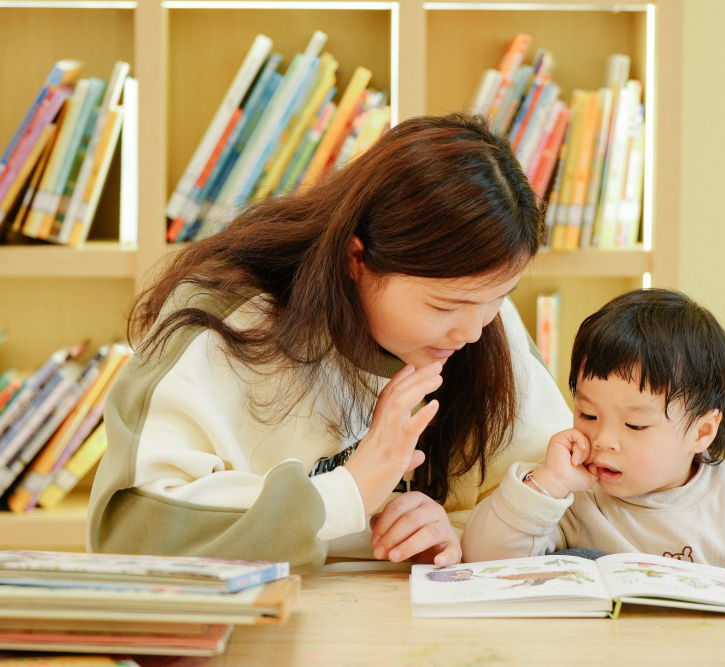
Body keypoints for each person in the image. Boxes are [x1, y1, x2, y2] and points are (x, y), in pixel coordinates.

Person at [87, 114, 571, 572]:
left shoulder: (485, 319)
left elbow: (563, 504)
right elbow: (130, 533)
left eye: (498, 298)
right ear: (356, 258)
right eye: (443, 307)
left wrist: (459, 536)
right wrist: (349, 491)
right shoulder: (227, 320)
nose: (471, 332)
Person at [461, 288, 725, 591]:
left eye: (635, 425)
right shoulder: (575, 500)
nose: (603, 439)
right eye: (588, 415)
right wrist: (548, 484)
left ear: (702, 432)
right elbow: (484, 560)